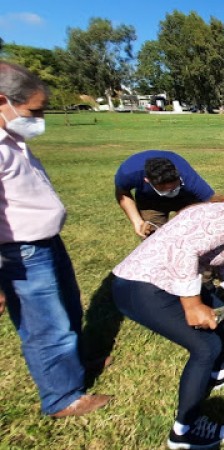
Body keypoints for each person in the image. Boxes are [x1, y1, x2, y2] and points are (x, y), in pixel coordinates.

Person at [111, 184, 224, 449]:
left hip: (155, 279)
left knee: (219, 313)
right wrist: (193, 304)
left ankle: (219, 372)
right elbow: (184, 249)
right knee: (206, 347)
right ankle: (184, 430)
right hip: (144, 286)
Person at [0, 61, 111, 417]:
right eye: (34, 110)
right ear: (3, 100)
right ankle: (62, 397)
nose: (39, 118)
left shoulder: (11, 139)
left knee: (68, 308)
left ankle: (76, 364)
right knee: (45, 326)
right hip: (20, 253)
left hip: (46, 243)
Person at [114, 150, 215, 238]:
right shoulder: (128, 173)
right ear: (147, 180)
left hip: (185, 197)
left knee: (197, 231)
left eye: (174, 187)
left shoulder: (188, 176)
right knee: (152, 237)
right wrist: (137, 221)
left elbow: (213, 203)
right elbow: (122, 193)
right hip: (150, 201)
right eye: (164, 188)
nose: (170, 191)